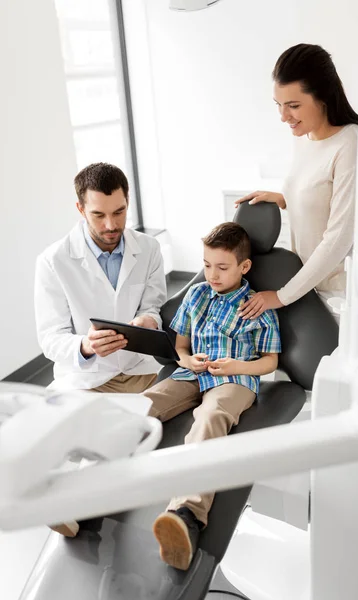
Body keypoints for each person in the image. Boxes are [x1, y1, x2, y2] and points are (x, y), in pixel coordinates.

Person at [34, 162, 167, 536]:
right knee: (53, 433)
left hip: (139, 369)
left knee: (128, 431)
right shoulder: (53, 261)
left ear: (128, 202)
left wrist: (148, 322)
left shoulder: (149, 249)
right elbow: (50, 337)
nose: (111, 225)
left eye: (119, 212)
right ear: (81, 209)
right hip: (85, 376)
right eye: (99, 215)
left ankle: (74, 501)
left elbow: (153, 305)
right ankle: (66, 499)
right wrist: (85, 346)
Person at [143, 222, 281, 571]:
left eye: (222, 267)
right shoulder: (197, 294)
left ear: (243, 267)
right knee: (141, 406)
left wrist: (238, 365)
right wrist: (189, 360)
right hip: (193, 373)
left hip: (235, 379)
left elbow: (269, 362)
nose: (212, 274)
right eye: (207, 265)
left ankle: (186, 515)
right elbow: (181, 346)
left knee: (210, 418)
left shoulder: (257, 306)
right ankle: (84, 493)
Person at [235, 43, 358, 322]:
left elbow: (338, 238)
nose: (283, 116)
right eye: (278, 105)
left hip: (338, 297)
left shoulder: (349, 143)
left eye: (293, 106)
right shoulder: (305, 138)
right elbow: (320, 196)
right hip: (305, 286)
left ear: (323, 96)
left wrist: (280, 296)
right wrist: (284, 199)